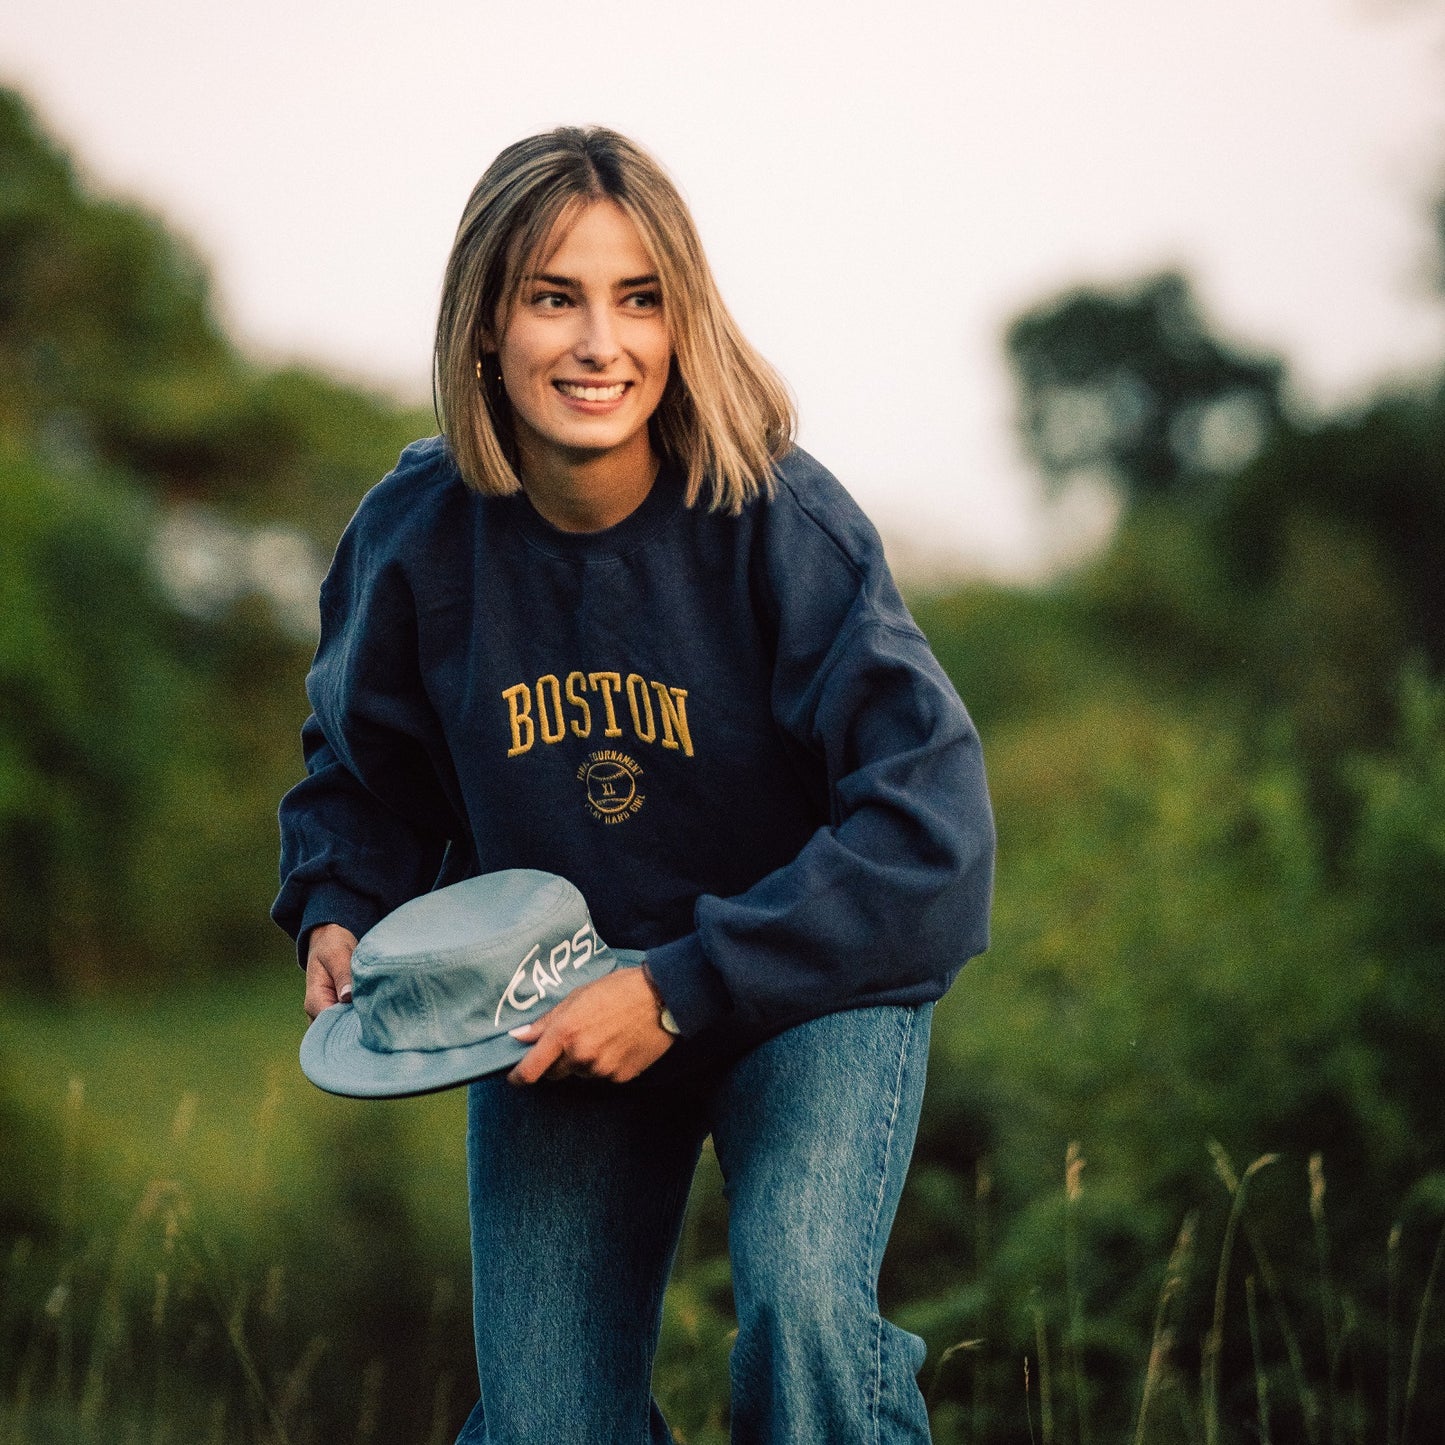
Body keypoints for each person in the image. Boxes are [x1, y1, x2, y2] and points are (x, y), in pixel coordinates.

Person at [273, 126, 995, 1445]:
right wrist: (337, 893)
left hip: (799, 984)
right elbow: (365, 770)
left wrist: (677, 985)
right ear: (485, 323)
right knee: (549, 1421)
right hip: (548, 1000)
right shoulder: (418, 533)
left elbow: (933, 832)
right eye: (556, 295)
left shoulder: (781, 522)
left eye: (638, 297)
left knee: (801, 1317)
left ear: (683, 323)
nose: (598, 340)